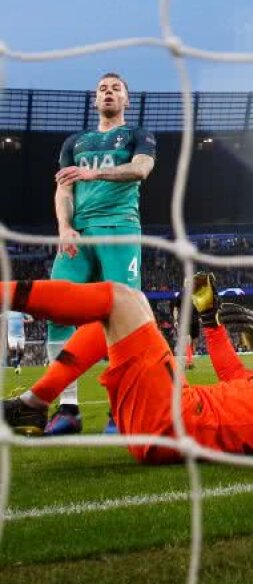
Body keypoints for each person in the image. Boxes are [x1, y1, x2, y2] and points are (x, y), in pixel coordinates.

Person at [2, 275, 253, 463]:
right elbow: (235, 380)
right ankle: (35, 402)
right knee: (116, 317)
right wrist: (210, 319)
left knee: (122, 299)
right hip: (178, 414)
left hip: (178, 421)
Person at [42, 73, 157, 435]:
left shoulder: (139, 134)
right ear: (95, 101)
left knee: (122, 317)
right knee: (54, 311)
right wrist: (64, 226)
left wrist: (94, 174)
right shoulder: (74, 142)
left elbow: (141, 169)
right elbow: (63, 189)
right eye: (102, 89)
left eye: (116, 89)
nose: (108, 93)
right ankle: (68, 410)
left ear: (127, 99)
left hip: (120, 227)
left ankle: (119, 410)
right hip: (79, 234)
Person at [4, 310, 33, 375]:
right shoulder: (8, 312)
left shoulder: (22, 312)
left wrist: (25, 321)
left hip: (21, 335)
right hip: (11, 335)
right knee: (12, 348)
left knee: (21, 352)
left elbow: (31, 319)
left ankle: (17, 363)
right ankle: (15, 363)